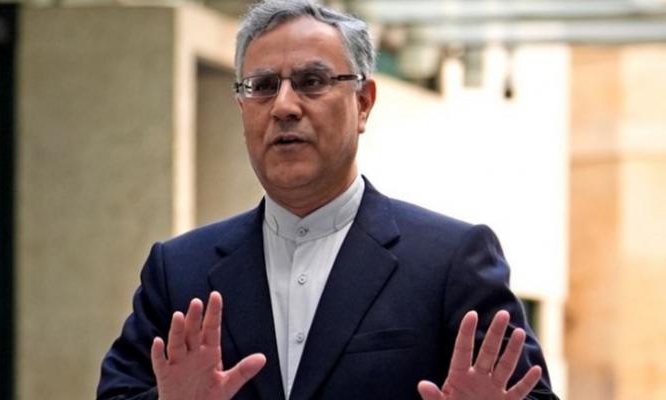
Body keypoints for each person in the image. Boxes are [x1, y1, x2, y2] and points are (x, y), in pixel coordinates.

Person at [97, 1, 559, 399]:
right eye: (262, 86)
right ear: (242, 107)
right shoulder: (179, 271)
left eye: (312, 81)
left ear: (364, 103)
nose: (284, 106)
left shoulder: (450, 262)